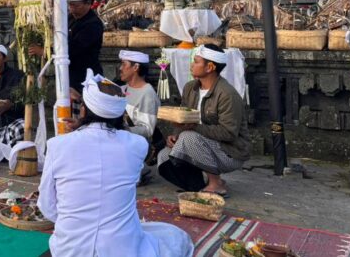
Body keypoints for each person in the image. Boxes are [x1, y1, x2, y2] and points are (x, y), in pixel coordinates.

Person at [38, 70, 194, 257]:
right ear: (120, 114)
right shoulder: (137, 145)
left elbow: (47, 206)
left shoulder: (57, 145)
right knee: (174, 237)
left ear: (84, 111)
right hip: (122, 249)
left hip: (70, 249)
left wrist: (75, 224)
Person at [158, 45, 251, 196]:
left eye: (196, 61)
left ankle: (216, 183)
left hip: (230, 153)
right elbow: (184, 116)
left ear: (209, 67)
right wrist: (175, 135)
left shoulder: (227, 94)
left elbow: (228, 133)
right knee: (163, 157)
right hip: (199, 143)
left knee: (189, 137)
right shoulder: (190, 88)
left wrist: (192, 128)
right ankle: (197, 184)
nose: (191, 65)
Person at [29, 0, 103, 109]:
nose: (71, 9)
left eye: (75, 5)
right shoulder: (70, 18)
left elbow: (73, 49)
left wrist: (45, 52)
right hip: (69, 74)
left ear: (89, 3)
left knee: (81, 113)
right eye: (70, 5)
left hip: (85, 76)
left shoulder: (93, 25)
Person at [118, 50, 160, 140]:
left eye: (124, 64)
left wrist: (121, 128)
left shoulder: (148, 93)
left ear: (136, 67)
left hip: (135, 144)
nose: (120, 68)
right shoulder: (122, 89)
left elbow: (148, 130)